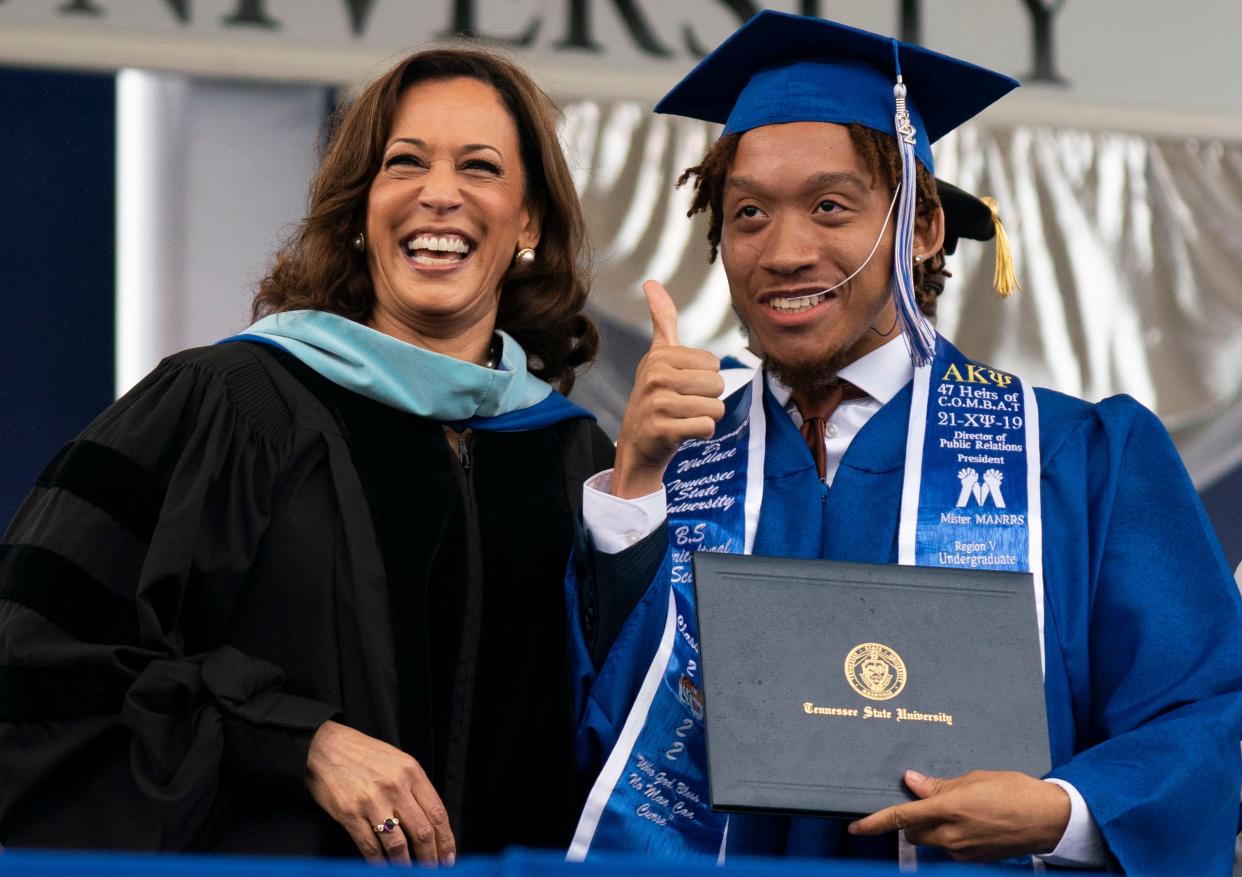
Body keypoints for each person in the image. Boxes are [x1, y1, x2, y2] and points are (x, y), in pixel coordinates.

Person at [569, 11, 1242, 874]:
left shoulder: (1078, 458)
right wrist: (633, 494)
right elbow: (580, 745)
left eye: (829, 207)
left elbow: (1202, 714)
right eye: (747, 215)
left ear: (921, 228)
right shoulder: (678, 471)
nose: (785, 250)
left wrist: (1062, 809)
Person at [0, 47, 618, 864]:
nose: (441, 192)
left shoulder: (573, 454)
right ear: (360, 209)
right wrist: (297, 737)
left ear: (528, 220)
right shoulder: (227, 405)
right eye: (405, 162)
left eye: (480, 165)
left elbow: (623, 730)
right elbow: (31, 658)